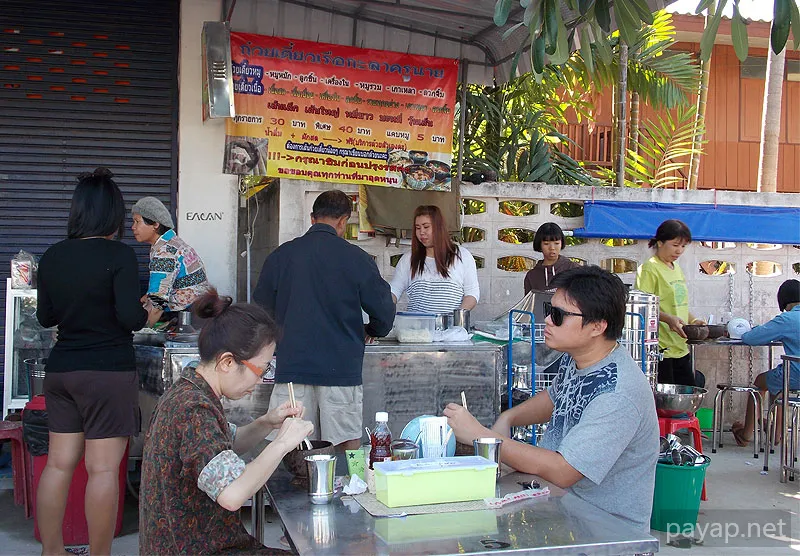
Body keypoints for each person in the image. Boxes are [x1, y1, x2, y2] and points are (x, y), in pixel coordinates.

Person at [444, 266, 659, 531]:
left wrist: (481, 435)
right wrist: (508, 418)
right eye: (548, 310)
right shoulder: (581, 359)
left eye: (558, 315)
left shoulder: (618, 394)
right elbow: (555, 398)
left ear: (597, 326)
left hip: (605, 532)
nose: (546, 320)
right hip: (562, 510)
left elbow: (563, 470)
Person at [35, 168, 161, 555]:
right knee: (102, 469)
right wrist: (149, 315)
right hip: (107, 372)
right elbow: (129, 318)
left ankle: (51, 550)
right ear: (113, 216)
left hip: (61, 371)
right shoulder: (119, 255)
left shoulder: (53, 255)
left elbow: (45, 317)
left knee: (58, 466)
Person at [139, 290, 314, 554]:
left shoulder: (190, 389)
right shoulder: (193, 409)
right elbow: (232, 495)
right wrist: (282, 443)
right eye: (262, 369)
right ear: (227, 362)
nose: (260, 380)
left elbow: (226, 444)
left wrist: (268, 422)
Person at [253, 190, 395, 451]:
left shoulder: (280, 257)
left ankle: (290, 489)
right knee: (344, 438)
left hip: (292, 366)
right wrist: (370, 329)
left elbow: (260, 313)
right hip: (340, 367)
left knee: (289, 440)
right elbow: (384, 314)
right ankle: (346, 489)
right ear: (344, 221)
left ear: (312, 218)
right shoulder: (358, 259)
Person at [635, 219, 705, 386]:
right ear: (660, 242)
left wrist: (693, 321)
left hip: (680, 347)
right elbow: (641, 306)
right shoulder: (649, 269)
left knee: (688, 399)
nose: (679, 250)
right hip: (660, 350)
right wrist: (668, 320)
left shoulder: (676, 268)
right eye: (675, 245)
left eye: (683, 246)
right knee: (667, 408)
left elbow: (679, 305)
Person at [731, 279, 800, 446]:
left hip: (796, 374)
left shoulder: (787, 319)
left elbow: (750, 338)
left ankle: (745, 435)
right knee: (780, 387)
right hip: (791, 376)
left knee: (760, 382)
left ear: (784, 303)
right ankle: (776, 435)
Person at [390, 205, 480, 313]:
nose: (421, 232)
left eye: (426, 227)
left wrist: (458, 316)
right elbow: (394, 291)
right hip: (416, 328)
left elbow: (472, 293)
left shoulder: (462, 256)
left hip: (450, 327)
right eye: (418, 228)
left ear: (438, 227)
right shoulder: (408, 259)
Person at [131, 196, 211, 315]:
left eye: (137, 221)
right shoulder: (172, 243)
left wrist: (140, 331)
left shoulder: (165, 253)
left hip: (189, 314)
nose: (133, 227)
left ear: (155, 224)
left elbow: (157, 305)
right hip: (201, 308)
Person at [523, 222, 580, 293]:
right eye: (546, 244)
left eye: (556, 243)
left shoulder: (573, 269)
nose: (552, 248)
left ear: (562, 243)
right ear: (539, 245)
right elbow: (530, 303)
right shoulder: (532, 276)